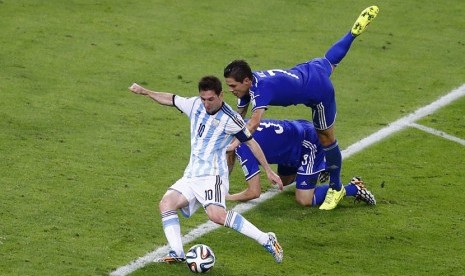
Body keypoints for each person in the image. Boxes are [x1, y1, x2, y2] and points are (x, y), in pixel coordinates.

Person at [223, 6, 379, 210]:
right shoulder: (249, 85)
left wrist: (234, 144)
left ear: (246, 81)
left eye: (233, 86)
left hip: (319, 93)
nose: (231, 90)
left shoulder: (260, 90)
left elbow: (252, 123)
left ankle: (339, 187)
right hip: (307, 71)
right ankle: (352, 33)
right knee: (330, 61)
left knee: (327, 139)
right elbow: (238, 118)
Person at [128, 76, 284, 264]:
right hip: (192, 174)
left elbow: (251, 143)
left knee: (216, 216)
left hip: (213, 175)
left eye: (211, 99)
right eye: (203, 98)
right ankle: (177, 252)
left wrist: (268, 170)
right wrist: (146, 91)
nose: (206, 103)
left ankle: (266, 238)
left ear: (221, 95)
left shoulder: (231, 119)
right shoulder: (195, 105)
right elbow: (171, 99)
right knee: (166, 203)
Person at [227, 119, 376, 207]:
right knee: (284, 181)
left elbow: (254, 192)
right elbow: (229, 159)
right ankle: (317, 168)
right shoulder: (240, 126)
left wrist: (227, 197)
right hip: (289, 146)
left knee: (304, 200)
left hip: (308, 142)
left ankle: (354, 188)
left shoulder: (241, 146)